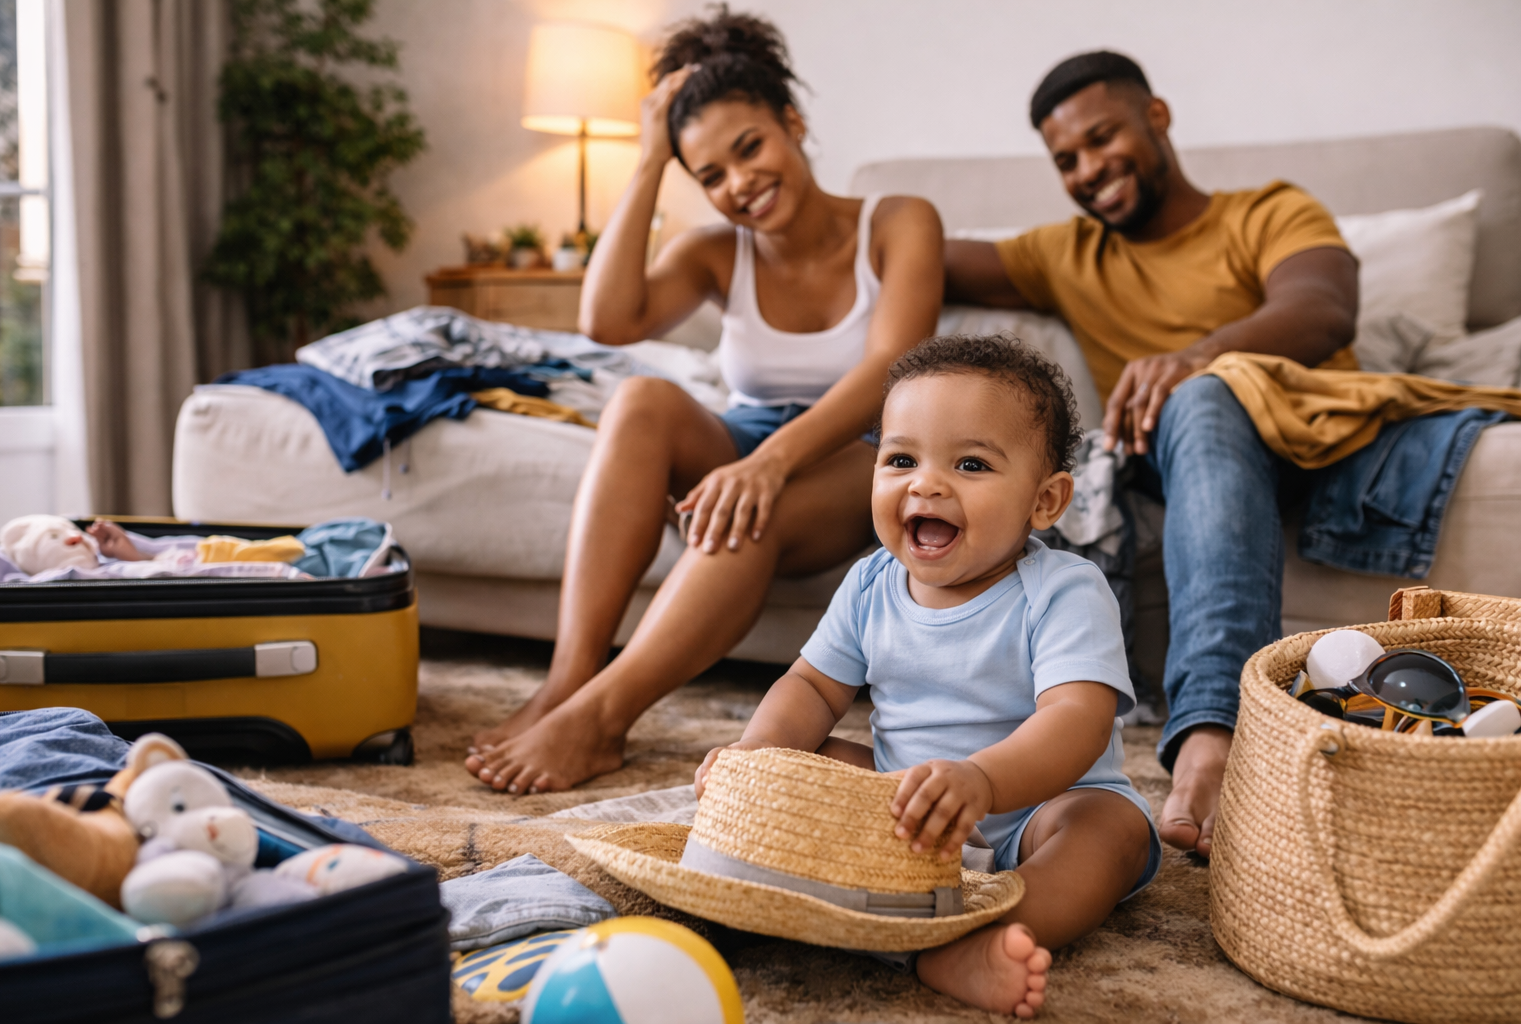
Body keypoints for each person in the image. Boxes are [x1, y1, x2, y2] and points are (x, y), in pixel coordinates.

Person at [464, 8, 943, 793]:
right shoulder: (716, 251)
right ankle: (567, 685)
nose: (738, 184)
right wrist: (650, 158)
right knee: (641, 400)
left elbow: (892, 371)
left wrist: (766, 466)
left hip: (861, 451)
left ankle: (600, 722)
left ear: (792, 124)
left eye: (750, 148)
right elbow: (606, 321)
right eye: (711, 176)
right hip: (746, 437)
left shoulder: (900, 221)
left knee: (747, 507)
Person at [944, 51, 1361, 856]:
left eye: (1102, 138)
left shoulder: (1267, 211)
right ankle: (1209, 739)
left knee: (1203, 391)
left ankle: (1213, 728)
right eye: (1066, 159)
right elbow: (912, 249)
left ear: (1157, 117)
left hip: (1319, 439)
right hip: (1191, 461)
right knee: (1196, 408)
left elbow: (1323, 306)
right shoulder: (1065, 255)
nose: (1087, 170)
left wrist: (1199, 357)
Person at [696, 335, 1159, 1018]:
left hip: (1036, 813)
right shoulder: (870, 583)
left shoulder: (1065, 589)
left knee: (1111, 831)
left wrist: (983, 782)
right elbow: (812, 687)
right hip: (904, 810)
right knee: (806, 761)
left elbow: (1078, 721)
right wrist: (758, 754)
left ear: (1045, 501)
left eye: (971, 464)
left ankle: (982, 938)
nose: (926, 483)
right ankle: (779, 889)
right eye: (901, 459)